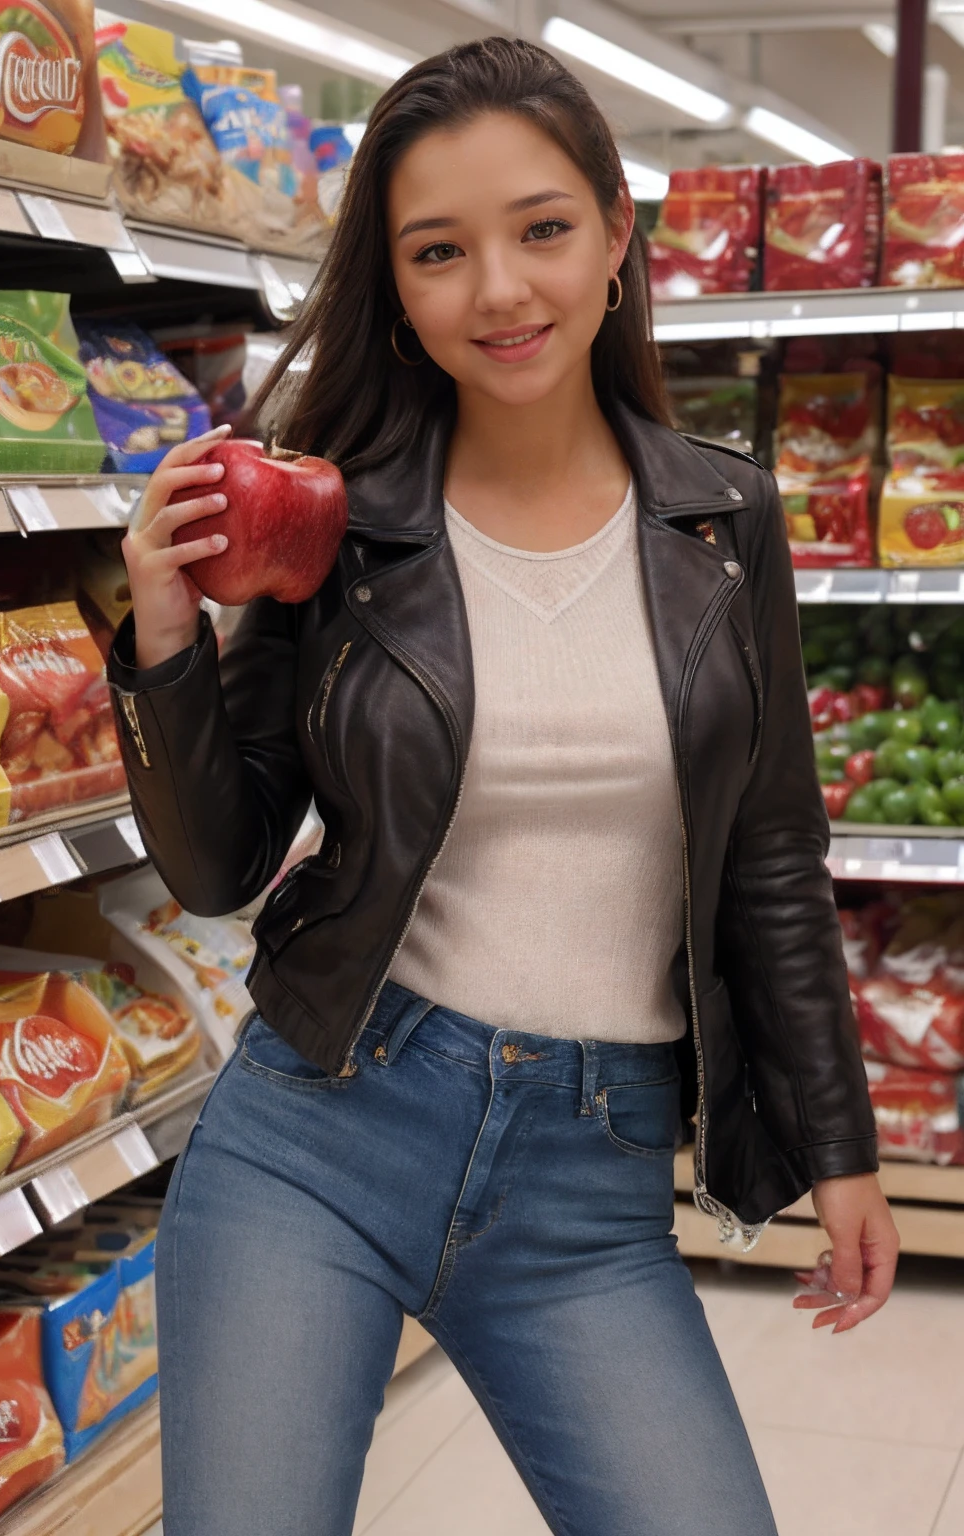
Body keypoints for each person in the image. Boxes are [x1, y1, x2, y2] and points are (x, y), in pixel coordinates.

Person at [110, 35, 900, 1536]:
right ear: (398, 291)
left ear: (617, 231)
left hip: (589, 1188)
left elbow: (774, 859)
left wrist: (840, 1147)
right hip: (322, 1135)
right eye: (439, 251)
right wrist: (166, 641)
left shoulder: (727, 522)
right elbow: (219, 866)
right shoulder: (338, 515)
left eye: (542, 228)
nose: (501, 289)